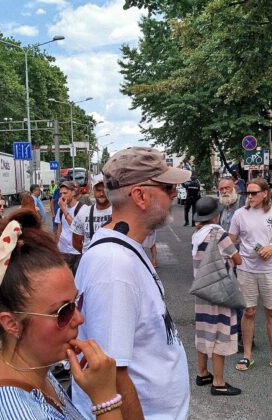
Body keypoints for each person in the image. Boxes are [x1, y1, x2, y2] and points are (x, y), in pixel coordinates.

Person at [0, 210, 124, 420]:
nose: (79, 319)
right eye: (63, 311)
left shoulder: (30, 366)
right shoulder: (13, 413)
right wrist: (106, 400)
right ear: (12, 323)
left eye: (75, 302)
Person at [73, 147, 191, 419]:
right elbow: (110, 375)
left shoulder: (122, 250)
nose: (174, 194)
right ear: (140, 195)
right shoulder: (114, 264)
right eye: (168, 187)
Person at [228, 178, 272, 374]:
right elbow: (230, 239)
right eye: (247, 193)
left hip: (271, 269)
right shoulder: (240, 214)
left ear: (265, 194)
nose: (250, 196)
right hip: (246, 269)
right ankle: (247, 355)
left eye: (254, 193)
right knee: (249, 312)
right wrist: (233, 257)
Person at [191, 197, 243, 396]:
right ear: (215, 216)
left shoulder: (196, 235)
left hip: (202, 291)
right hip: (219, 292)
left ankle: (202, 373)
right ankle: (219, 382)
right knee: (220, 332)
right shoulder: (218, 234)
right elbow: (237, 259)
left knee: (204, 330)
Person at [72, 174, 112, 253]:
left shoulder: (119, 212)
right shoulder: (83, 212)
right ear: (93, 190)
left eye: (104, 190)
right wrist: (88, 253)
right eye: (98, 190)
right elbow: (76, 243)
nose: (102, 193)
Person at [54, 181, 83, 273]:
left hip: (77, 252)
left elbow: (77, 228)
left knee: (77, 278)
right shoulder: (60, 210)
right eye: (61, 194)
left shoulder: (83, 209)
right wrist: (55, 247)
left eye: (65, 193)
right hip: (63, 251)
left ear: (73, 192)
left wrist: (64, 209)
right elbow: (59, 230)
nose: (62, 196)